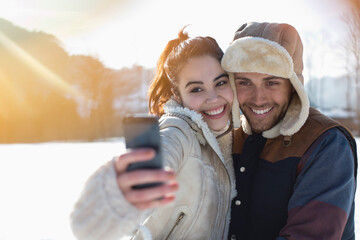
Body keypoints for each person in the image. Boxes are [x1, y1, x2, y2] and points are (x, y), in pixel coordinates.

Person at [70, 27, 241, 240]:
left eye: (220, 83)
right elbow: (164, 151)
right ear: (177, 95)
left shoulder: (233, 138)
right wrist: (116, 197)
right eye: (196, 89)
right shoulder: (179, 131)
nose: (213, 97)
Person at [221, 22, 358, 240]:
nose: (258, 98)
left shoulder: (326, 144)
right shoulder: (228, 137)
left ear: (293, 86)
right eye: (245, 82)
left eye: (271, 82)